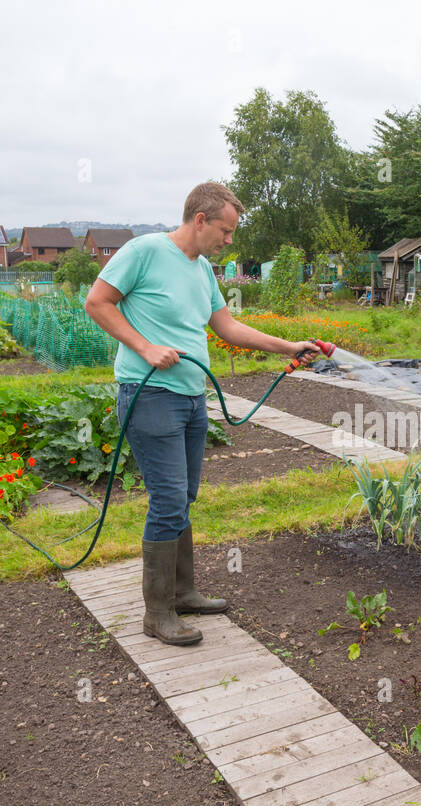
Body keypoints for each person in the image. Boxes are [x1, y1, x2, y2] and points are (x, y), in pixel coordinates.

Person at [84, 182, 317, 646]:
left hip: (191, 398)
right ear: (200, 220)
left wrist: (287, 346)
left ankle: (183, 591)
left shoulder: (203, 269)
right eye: (226, 231)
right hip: (149, 394)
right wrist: (145, 347)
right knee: (168, 499)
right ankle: (157, 613)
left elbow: (226, 326)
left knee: (183, 497)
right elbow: (97, 303)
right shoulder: (144, 251)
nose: (230, 240)